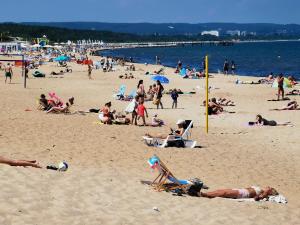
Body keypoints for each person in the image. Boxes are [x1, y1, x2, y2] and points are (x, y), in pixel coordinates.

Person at [199, 186, 278, 200]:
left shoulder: (264, 192)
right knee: (220, 191)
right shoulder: (261, 189)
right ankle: (205, 194)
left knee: (223, 193)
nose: (269, 186)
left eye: (270, 188)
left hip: (243, 193)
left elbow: (257, 198)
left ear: (270, 191)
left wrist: (266, 192)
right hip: (241, 190)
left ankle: (204, 195)